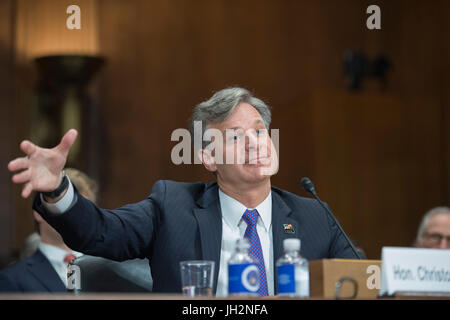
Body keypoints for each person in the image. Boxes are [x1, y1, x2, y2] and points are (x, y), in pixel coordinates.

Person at [8, 87, 362, 297]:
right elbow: (100, 232)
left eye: (260, 131)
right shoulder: (172, 206)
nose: (256, 143)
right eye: (236, 137)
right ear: (208, 156)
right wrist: (57, 189)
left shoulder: (314, 216)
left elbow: (362, 282)